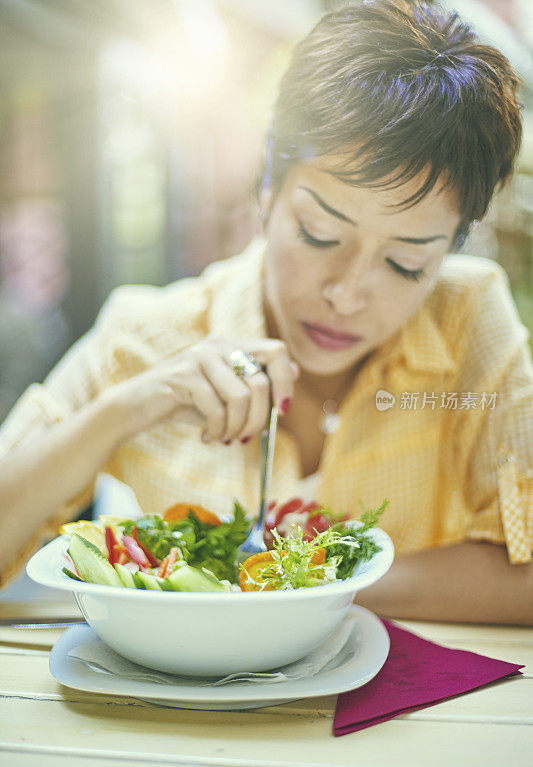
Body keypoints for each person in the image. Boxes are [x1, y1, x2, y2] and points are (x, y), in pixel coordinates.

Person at [0, 0, 531, 624]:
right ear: (268, 190)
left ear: (455, 244)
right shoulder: (149, 335)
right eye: (318, 234)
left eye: (406, 264)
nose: (347, 293)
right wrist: (126, 408)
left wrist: (293, 591)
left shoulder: (467, 317)